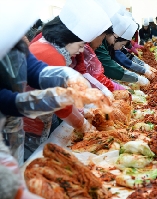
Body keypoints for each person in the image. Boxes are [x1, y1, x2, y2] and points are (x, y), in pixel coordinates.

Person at [26, 0, 111, 155]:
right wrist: (85, 127)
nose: (80, 51)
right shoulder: (51, 55)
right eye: (79, 46)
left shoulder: (46, 46)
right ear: (67, 37)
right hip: (25, 125)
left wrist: (82, 112)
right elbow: (62, 106)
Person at [95, 14, 150, 87]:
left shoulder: (108, 43)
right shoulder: (102, 44)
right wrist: (138, 77)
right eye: (121, 45)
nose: (120, 48)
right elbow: (111, 67)